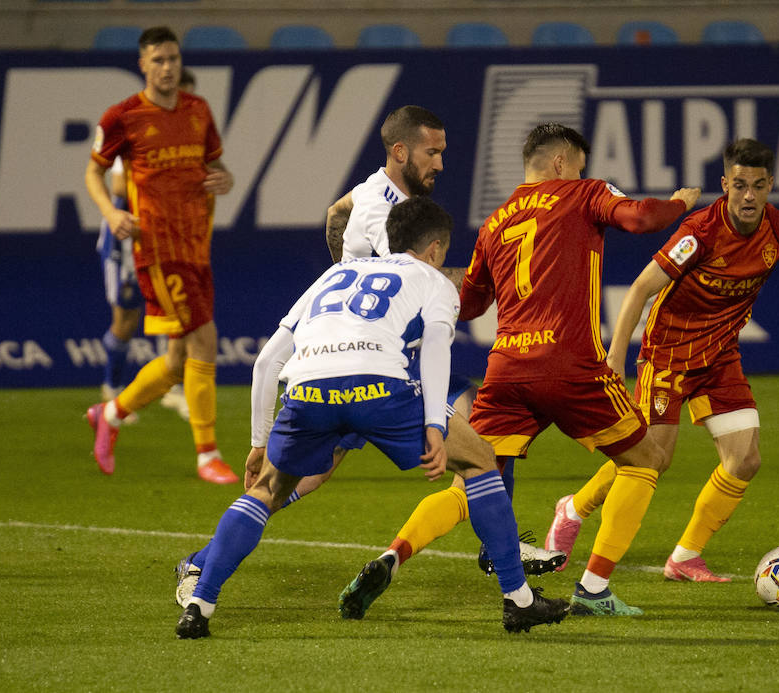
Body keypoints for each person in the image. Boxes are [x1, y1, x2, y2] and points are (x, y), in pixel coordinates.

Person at [173, 197, 569, 638]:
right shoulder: (432, 280)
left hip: (307, 391)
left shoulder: (333, 275)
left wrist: (258, 441)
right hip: (380, 388)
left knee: (267, 490)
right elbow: (437, 349)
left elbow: (266, 363)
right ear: (435, 248)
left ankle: (199, 603)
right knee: (479, 459)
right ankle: (519, 600)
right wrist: (436, 428)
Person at [544, 138, 779, 581]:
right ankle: (573, 509)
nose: (749, 195)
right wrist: (615, 357)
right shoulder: (699, 232)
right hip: (668, 354)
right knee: (651, 458)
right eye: (740, 185)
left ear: (771, 186)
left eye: (759, 186)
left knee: (745, 459)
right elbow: (640, 289)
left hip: (719, 356)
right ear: (725, 184)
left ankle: (685, 557)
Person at [458, 122, 701, 616]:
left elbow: (469, 306)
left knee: (474, 475)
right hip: (571, 367)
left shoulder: (494, 222)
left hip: (506, 370)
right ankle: (593, 588)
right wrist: (680, 205)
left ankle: (391, 555)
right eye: (582, 166)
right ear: (562, 163)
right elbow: (639, 217)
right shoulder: (581, 193)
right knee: (646, 459)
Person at [83, 27, 237, 484]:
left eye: (173, 58)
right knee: (205, 341)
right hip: (157, 249)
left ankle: (110, 413)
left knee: (176, 361)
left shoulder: (198, 111)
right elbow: (94, 172)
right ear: (143, 65)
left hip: (197, 246)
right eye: (158, 60)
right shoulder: (123, 116)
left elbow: (215, 167)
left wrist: (223, 179)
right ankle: (207, 453)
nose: (167, 67)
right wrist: (111, 212)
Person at [97, 68, 198, 422]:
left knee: (179, 315)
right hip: (127, 245)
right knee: (126, 320)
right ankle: (112, 389)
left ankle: (173, 388)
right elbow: (119, 187)